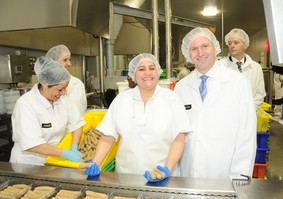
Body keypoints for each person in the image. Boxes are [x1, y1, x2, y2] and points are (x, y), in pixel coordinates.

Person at [85, 53, 191, 182]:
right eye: (141, 69)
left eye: (152, 68)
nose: (147, 73)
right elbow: (108, 136)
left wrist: (167, 169)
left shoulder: (171, 98)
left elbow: (179, 138)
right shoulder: (122, 99)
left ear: (158, 72)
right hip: (126, 176)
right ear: (133, 75)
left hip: (162, 174)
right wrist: (95, 162)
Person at [174, 27, 257, 180]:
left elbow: (246, 135)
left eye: (205, 46)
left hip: (224, 175)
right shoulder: (181, 87)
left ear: (215, 48)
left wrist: (239, 179)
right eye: (194, 48)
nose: (200, 53)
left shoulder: (238, 83)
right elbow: (177, 135)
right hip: (188, 175)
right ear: (188, 53)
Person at [10, 57, 85, 166]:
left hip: (53, 159)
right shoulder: (26, 104)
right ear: (45, 84)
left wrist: (74, 146)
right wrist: (66, 154)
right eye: (60, 89)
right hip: (28, 164)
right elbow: (32, 144)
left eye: (65, 88)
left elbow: (77, 123)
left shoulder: (63, 100)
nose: (63, 93)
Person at [221, 28, 266, 110]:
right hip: (226, 115)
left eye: (236, 43)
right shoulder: (221, 66)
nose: (232, 46)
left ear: (245, 45)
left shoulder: (256, 67)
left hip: (249, 114)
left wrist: (249, 111)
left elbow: (260, 94)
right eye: (229, 43)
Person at [46, 44, 87, 116]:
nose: (69, 64)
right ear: (54, 62)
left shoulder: (77, 84)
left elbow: (82, 110)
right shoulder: (46, 86)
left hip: (76, 126)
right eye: (65, 60)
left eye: (69, 59)